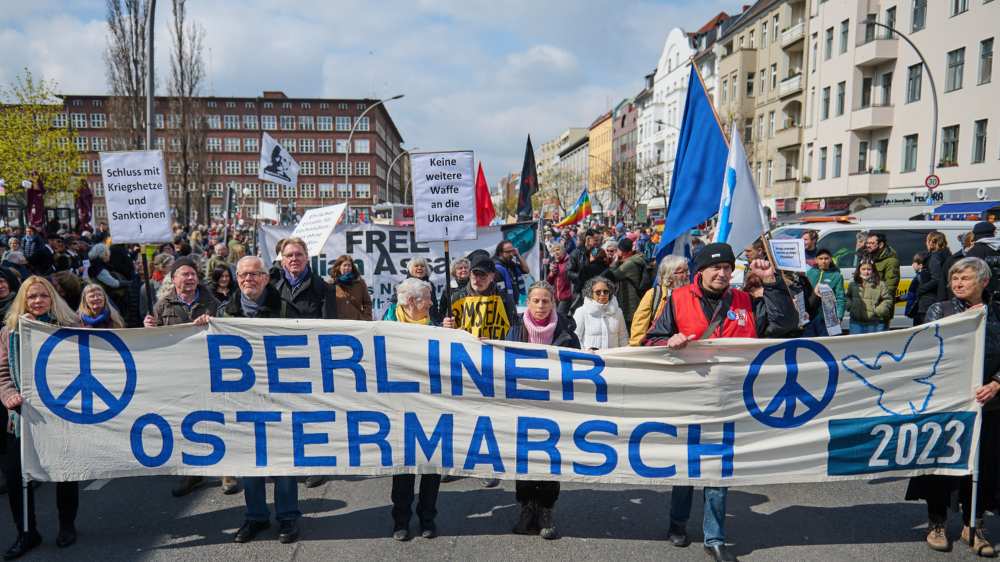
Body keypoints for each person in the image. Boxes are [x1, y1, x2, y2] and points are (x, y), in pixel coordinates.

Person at [644, 243, 797, 562]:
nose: (723, 273)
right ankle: (677, 523)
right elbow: (652, 340)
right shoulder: (678, 299)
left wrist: (772, 283)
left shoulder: (745, 300)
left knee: (718, 469)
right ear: (700, 272)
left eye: (728, 267)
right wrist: (669, 340)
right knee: (687, 465)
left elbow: (784, 325)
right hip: (688, 397)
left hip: (732, 399)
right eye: (716, 267)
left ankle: (714, 538)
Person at [907, 257, 1000, 556]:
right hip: (947, 403)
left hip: (987, 403)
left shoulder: (997, 312)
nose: (958, 283)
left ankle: (974, 525)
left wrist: (996, 383)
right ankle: (937, 523)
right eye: (955, 278)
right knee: (941, 464)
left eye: (965, 278)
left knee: (983, 466)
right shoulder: (941, 309)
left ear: (984, 282)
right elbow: (926, 352)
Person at [219, 257, 302, 545]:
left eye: (254, 274)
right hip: (243, 399)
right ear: (237, 278)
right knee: (249, 460)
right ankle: (256, 516)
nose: (248, 279)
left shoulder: (285, 310)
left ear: (266, 278)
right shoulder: (223, 313)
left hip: (280, 397)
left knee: (283, 459)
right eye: (243, 274)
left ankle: (287, 516)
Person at [143, 257, 239, 497]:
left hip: (210, 371)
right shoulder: (162, 305)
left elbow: (228, 329)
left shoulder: (212, 302)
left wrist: (214, 321)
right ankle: (193, 471)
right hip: (180, 375)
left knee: (218, 419)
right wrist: (148, 328)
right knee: (187, 422)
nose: (189, 278)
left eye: (193, 274)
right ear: (174, 279)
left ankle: (227, 471)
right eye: (184, 274)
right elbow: (155, 340)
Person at [0, 276, 82, 557]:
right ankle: (27, 533)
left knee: (65, 471)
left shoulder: (70, 327)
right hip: (22, 416)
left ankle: (67, 525)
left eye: (43, 296)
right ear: (23, 300)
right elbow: (2, 374)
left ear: (52, 298)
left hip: (62, 414)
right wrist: (9, 396)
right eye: (32, 296)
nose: (37, 301)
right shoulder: (9, 332)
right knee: (15, 476)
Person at [507, 281, 581, 539]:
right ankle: (527, 507)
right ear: (528, 303)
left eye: (546, 301)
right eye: (536, 301)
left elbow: (578, 368)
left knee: (550, 457)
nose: (540, 305)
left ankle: (547, 508)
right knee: (525, 458)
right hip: (523, 404)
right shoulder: (514, 330)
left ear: (553, 303)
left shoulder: (567, 333)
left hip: (554, 406)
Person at [443, 252, 517, 488]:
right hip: (461, 366)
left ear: (492, 276)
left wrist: (496, 344)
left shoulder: (503, 299)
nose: (478, 279)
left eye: (483, 275)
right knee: (459, 417)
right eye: (475, 274)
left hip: (491, 366)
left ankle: (488, 465)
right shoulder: (455, 297)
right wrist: (444, 326)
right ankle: (456, 463)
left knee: (489, 419)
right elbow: (440, 333)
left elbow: (514, 330)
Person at [269, 238, 336, 488]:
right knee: (284, 414)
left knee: (312, 415)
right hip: (281, 361)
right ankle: (286, 463)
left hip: (311, 361)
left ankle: (317, 465)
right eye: (289, 255)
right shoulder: (272, 287)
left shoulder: (323, 288)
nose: (294, 259)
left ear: (307, 257)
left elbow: (330, 328)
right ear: (282, 259)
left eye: (298, 254)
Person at [386, 277, 442, 541]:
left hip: (432, 407)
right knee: (404, 468)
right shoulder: (385, 328)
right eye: (427, 298)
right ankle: (401, 520)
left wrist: (451, 333)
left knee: (432, 466)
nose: (431, 302)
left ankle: (427, 518)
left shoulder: (437, 325)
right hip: (399, 407)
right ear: (410, 301)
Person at [629, 255, 690, 346]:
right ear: (669, 276)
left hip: (686, 346)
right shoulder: (654, 295)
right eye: (683, 272)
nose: (688, 274)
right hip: (661, 348)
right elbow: (639, 328)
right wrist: (637, 348)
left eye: (687, 270)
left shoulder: (692, 294)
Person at [573, 276, 628, 350]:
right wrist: (585, 351)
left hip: (613, 356)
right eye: (598, 292)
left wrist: (624, 354)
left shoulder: (618, 312)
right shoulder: (581, 312)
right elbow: (575, 337)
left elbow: (623, 337)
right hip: (590, 356)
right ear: (590, 293)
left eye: (606, 291)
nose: (602, 294)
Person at [605, 238, 647, 329]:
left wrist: (614, 262)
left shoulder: (630, 264)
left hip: (630, 304)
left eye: (618, 250)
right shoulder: (635, 259)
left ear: (624, 252)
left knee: (629, 328)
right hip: (635, 300)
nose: (616, 252)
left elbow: (610, 276)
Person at [846, 259, 893, 334]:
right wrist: (850, 306)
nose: (866, 272)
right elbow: (847, 296)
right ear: (859, 270)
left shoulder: (880, 284)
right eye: (863, 269)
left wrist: (878, 310)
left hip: (875, 323)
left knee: (874, 342)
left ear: (873, 270)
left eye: (869, 269)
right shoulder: (853, 283)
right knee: (856, 341)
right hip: (856, 322)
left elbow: (887, 299)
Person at [806, 248, 846, 328]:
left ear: (830, 259)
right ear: (816, 260)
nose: (823, 261)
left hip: (828, 316)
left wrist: (839, 316)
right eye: (821, 258)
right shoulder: (809, 273)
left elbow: (840, 298)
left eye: (826, 258)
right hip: (810, 315)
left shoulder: (836, 276)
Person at [863, 232, 900, 316]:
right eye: (867, 243)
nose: (868, 245)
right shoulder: (867, 257)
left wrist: (878, 306)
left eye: (871, 243)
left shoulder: (891, 261)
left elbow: (890, 287)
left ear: (880, 245)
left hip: (879, 308)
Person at [919, 232, 950, 321]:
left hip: (930, 298)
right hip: (941, 297)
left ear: (932, 242)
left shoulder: (935, 257)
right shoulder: (946, 255)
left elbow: (936, 279)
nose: (926, 243)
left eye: (927, 240)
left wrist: (921, 289)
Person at [331, 255, 372, 321]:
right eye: (344, 265)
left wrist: (366, 317)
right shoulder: (332, 284)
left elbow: (367, 303)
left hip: (356, 322)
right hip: (338, 323)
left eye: (349, 265)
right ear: (339, 267)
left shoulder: (360, 283)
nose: (347, 268)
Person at [545, 242, 573, 315]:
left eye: (557, 249)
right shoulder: (555, 263)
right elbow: (549, 282)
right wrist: (551, 273)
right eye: (554, 251)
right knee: (559, 317)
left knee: (560, 316)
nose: (556, 252)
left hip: (567, 296)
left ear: (563, 250)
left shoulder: (570, 261)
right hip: (556, 297)